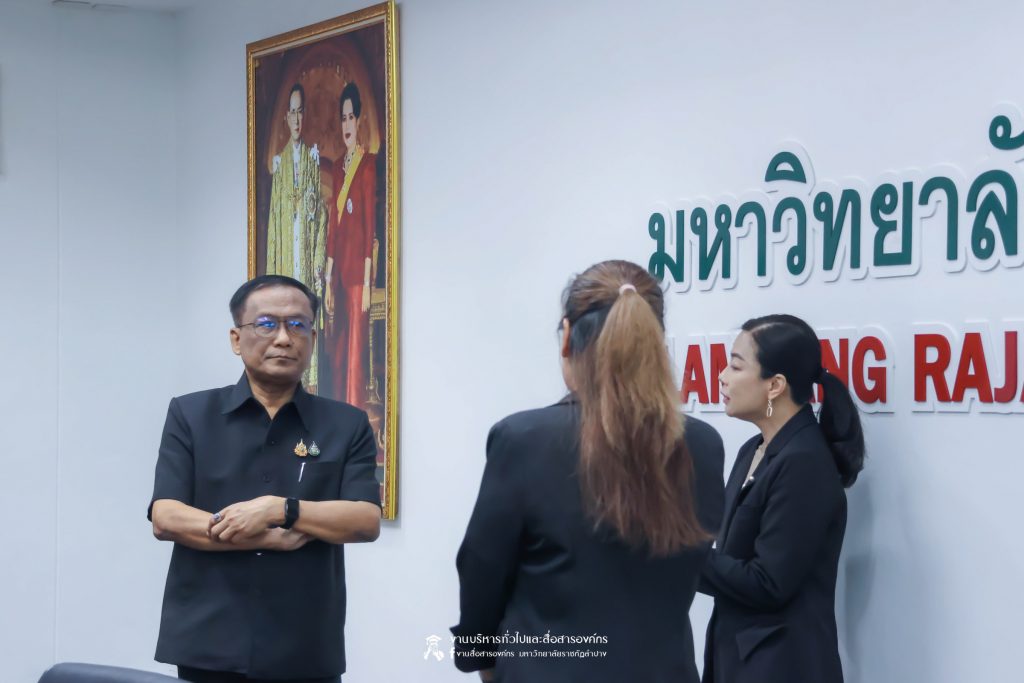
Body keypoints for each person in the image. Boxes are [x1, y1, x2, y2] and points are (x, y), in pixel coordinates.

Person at [451, 260, 725, 683]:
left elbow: (480, 572)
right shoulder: (704, 445)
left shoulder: (524, 440)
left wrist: (483, 662)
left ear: (567, 336)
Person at [148, 275, 381, 683]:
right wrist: (260, 537)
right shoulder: (191, 414)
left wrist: (281, 509)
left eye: (298, 325)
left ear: (313, 338)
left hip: (306, 645)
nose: (284, 339)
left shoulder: (347, 424)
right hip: (208, 641)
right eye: (267, 324)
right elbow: (166, 517)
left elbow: (365, 520)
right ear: (236, 339)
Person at [700, 314, 865, 683]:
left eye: (735, 366)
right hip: (739, 662)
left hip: (783, 666)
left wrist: (682, 557)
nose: (722, 377)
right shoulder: (752, 449)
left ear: (775, 385)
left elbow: (768, 583)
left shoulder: (804, 462)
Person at [266, 83, 328, 391]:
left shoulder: (312, 160)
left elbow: (321, 217)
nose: (296, 118)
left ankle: (309, 389)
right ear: (286, 117)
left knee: (304, 322)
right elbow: (273, 227)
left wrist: (317, 262)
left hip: (306, 261)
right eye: (292, 112)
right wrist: (272, 278)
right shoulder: (280, 166)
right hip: (286, 264)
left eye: (300, 111)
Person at [324, 81, 377, 408]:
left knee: (356, 356)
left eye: (350, 118)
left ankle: (355, 422)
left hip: (358, 276)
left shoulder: (367, 165)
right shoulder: (337, 168)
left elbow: (370, 225)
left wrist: (369, 283)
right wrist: (328, 281)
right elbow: (333, 228)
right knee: (339, 353)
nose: (346, 124)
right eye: (342, 118)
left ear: (359, 121)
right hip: (339, 277)